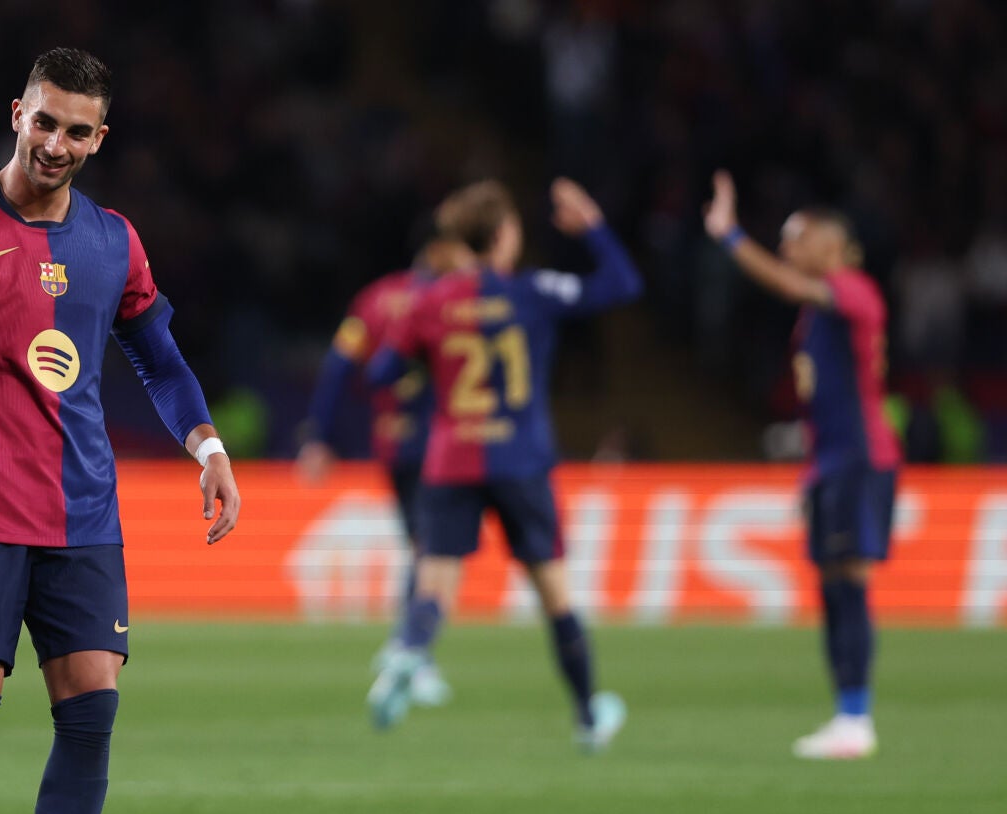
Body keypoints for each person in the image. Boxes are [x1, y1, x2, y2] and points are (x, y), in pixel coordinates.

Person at [0, 48, 241, 814]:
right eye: (44, 122)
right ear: (17, 113)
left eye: (77, 132)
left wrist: (209, 449)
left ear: (99, 138)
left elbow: (159, 358)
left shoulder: (113, 241)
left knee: (90, 714)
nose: (55, 144)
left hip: (83, 510)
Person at [365, 178, 641, 748]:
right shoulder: (532, 291)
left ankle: (410, 652)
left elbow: (382, 372)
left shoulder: (430, 301)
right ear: (502, 235)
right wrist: (592, 226)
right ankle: (588, 716)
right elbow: (622, 284)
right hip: (521, 459)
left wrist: (425, 356)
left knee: (434, 585)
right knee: (555, 594)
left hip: (450, 459)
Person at [704, 171, 899, 760]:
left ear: (830, 244)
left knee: (850, 586)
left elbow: (790, 286)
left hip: (861, 459)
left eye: (796, 238)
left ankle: (856, 717)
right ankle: (846, 714)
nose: (787, 248)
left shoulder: (852, 290)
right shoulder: (816, 314)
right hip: (829, 463)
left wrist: (730, 235)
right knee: (833, 589)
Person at [298, 228, 477, 707]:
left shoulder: (374, 299)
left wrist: (318, 435)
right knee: (434, 550)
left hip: (392, 442)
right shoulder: (453, 301)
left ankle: (409, 647)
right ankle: (412, 652)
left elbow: (338, 366)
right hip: (442, 442)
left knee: (422, 545)